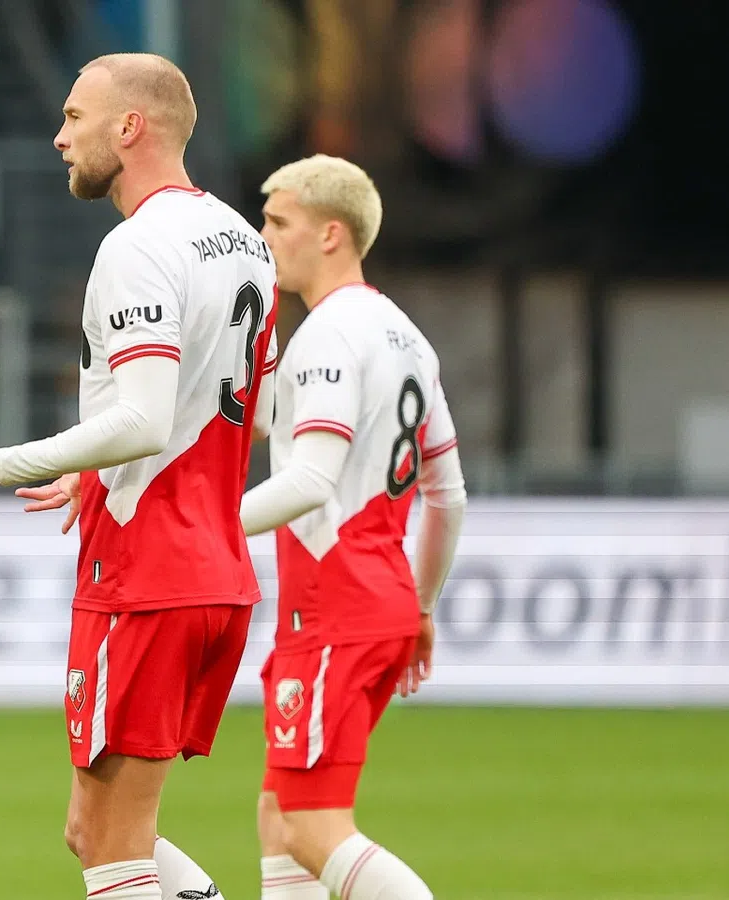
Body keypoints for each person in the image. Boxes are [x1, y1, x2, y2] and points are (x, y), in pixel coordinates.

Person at [0, 53, 278, 900]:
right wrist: (99, 473)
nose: (60, 135)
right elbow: (242, 406)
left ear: (130, 127)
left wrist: (1, 465)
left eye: (76, 116)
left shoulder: (136, 246)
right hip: (213, 569)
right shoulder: (245, 241)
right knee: (97, 832)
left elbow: (144, 417)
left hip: (146, 573)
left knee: (114, 855)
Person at [242, 154, 465, 900]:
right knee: (280, 817)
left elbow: (311, 481)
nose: (263, 235)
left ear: (330, 233)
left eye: (278, 222)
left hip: (335, 604)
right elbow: (449, 495)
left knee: (311, 826)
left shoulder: (329, 336)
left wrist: (206, 529)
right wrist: (423, 606)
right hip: (377, 599)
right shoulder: (408, 338)